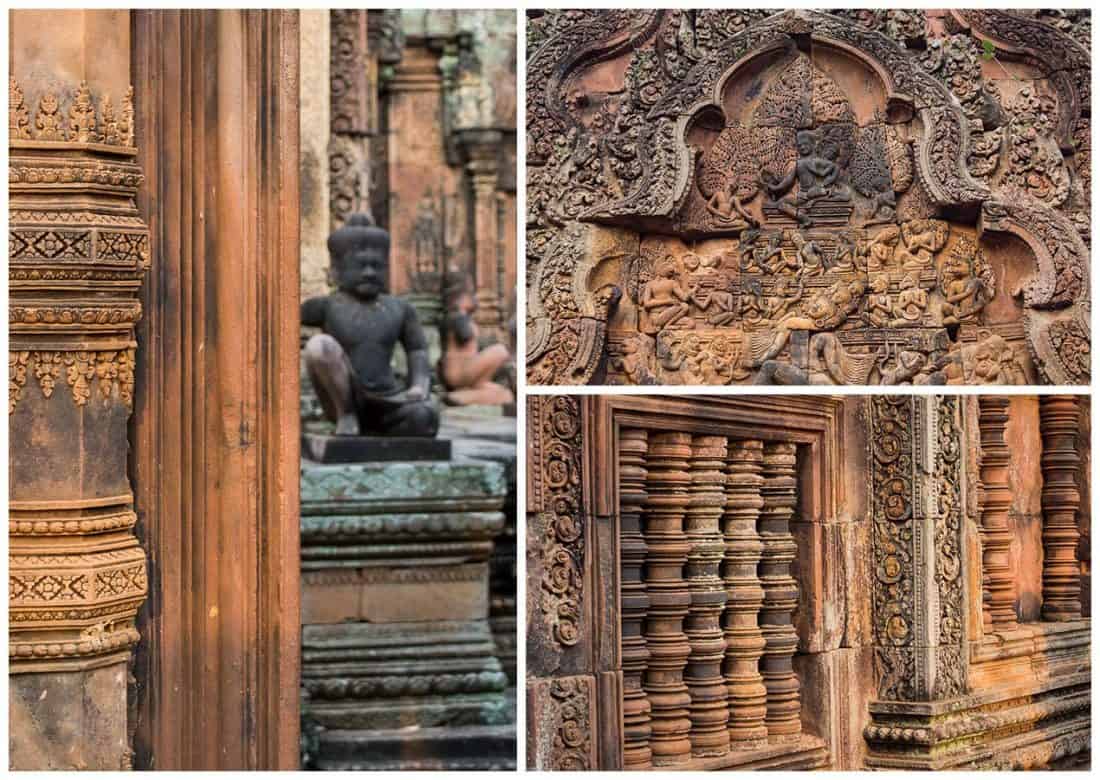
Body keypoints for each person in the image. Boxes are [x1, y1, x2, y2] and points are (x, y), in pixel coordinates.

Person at [301, 213, 439, 436]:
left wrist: (418, 386)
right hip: (343, 398)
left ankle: (377, 427)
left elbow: (418, 350)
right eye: (360, 265)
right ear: (336, 271)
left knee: (426, 418)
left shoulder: (400, 308)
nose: (369, 273)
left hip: (390, 398)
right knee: (319, 346)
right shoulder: (326, 306)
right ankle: (347, 416)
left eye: (377, 266)